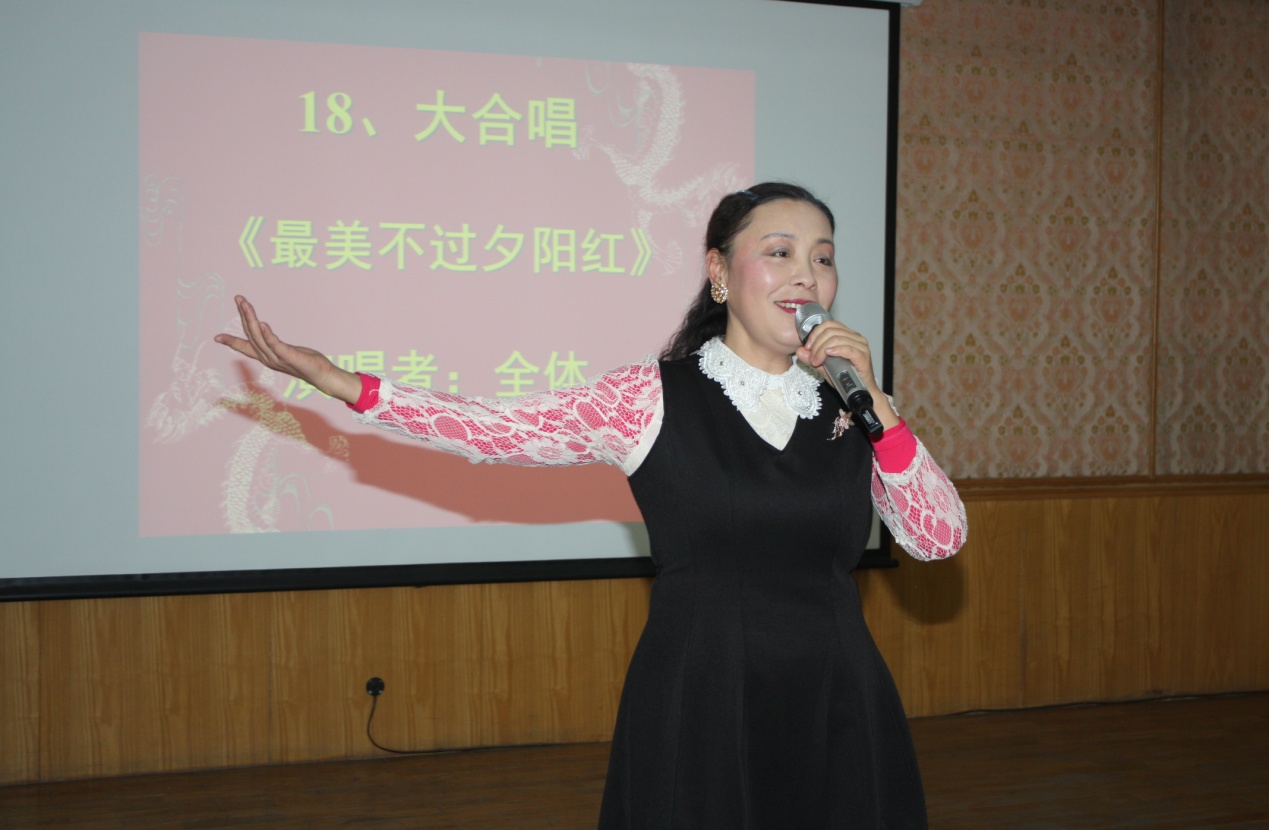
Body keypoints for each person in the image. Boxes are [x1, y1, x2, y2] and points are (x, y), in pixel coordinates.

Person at [216, 181, 966, 828]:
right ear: (718, 271)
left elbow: (938, 538)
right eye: (779, 252)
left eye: (823, 258)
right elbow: (494, 429)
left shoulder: (856, 410)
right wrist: (344, 383)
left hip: (837, 696)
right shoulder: (647, 397)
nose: (806, 275)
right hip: (701, 694)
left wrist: (877, 404)